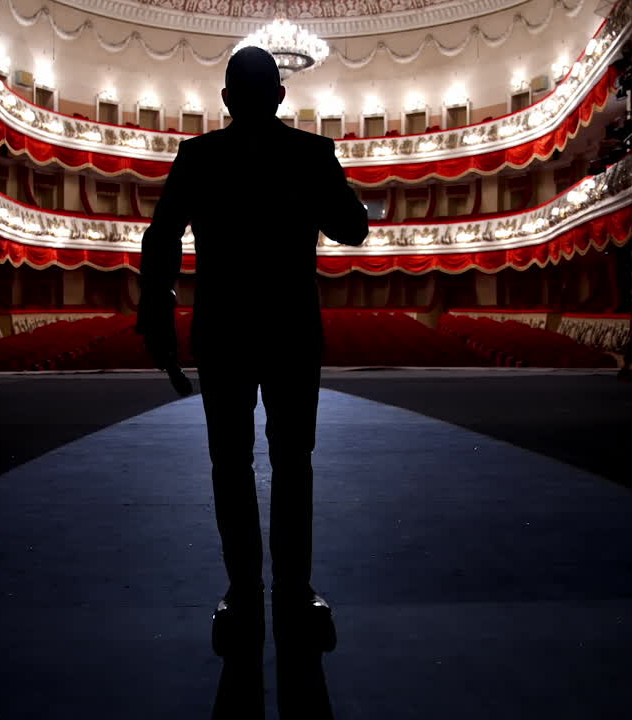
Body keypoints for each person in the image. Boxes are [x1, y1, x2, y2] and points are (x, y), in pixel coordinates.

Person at [135, 46, 368, 714]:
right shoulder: (312, 155)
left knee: (229, 465)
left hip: (226, 331)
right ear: (281, 97)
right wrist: (339, 191)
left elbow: (161, 241)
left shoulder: (198, 157)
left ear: (227, 99)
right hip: (292, 331)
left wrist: (157, 317)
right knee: (295, 464)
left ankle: (242, 593)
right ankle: (294, 593)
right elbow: (352, 230)